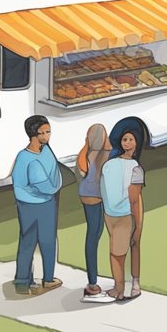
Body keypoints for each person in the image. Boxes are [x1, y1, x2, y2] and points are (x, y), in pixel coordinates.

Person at [12, 114, 62, 295]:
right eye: (43, 132)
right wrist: (54, 188)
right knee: (42, 241)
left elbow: (54, 172)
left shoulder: (45, 150)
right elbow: (44, 183)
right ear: (33, 134)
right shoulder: (28, 158)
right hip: (38, 204)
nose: (47, 136)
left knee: (33, 241)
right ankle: (30, 280)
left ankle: (31, 280)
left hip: (37, 202)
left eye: (49, 131)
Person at [98, 118, 146, 302]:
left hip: (113, 213)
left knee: (118, 252)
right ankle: (126, 287)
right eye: (125, 139)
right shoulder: (134, 168)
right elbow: (135, 199)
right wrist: (138, 223)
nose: (128, 143)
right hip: (124, 214)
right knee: (123, 251)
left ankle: (124, 287)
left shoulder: (111, 166)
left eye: (131, 139)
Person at [74, 123, 111, 301]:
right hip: (96, 197)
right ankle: (92, 282)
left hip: (86, 195)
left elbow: (79, 173)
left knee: (94, 234)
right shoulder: (104, 155)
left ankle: (93, 279)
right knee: (94, 235)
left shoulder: (85, 153)